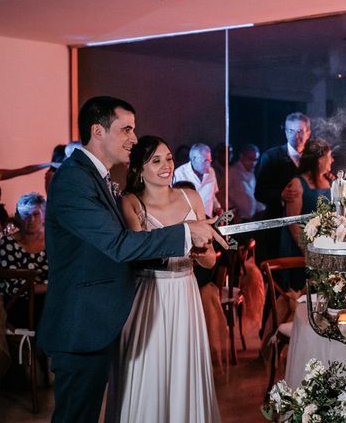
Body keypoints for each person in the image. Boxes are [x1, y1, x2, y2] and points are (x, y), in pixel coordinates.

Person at [37, 96, 225, 423]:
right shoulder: (73, 180)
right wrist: (185, 232)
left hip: (97, 320)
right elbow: (119, 245)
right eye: (126, 129)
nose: (134, 139)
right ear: (98, 131)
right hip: (80, 324)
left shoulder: (93, 177)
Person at [108, 135, 220, 422]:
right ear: (138, 169)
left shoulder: (190, 196)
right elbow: (138, 254)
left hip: (186, 291)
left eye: (168, 158)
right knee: (150, 369)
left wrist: (201, 248)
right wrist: (184, 236)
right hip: (149, 293)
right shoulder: (130, 203)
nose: (166, 165)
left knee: (184, 367)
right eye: (155, 160)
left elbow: (208, 260)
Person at [255, 112, 311, 262]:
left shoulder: (313, 159)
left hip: (307, 227)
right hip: (276, 228)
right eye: (291, 131)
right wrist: (280, 195)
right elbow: (259, 192)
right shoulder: (271, 157)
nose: (295, 136)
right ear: (285, 131)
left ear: (308, 133)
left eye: (300, 131)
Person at [278, 138, 333, 290]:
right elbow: (292, 222)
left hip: (322, 246)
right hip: (300, 249)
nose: (332, 160)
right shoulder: (297, 183)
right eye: (330, 156)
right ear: (320, 159)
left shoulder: (328, 181)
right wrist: (308, 250)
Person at [0, 192, 48, 327]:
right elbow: (15, 289)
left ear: (44, 216)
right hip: (19, 305)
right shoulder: (8, 243)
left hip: (50, 301)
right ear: (18, 218)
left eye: (36, 214)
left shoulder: (53, 241)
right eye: (25, 214)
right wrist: (52, 286)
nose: (31, 220)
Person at [174, 143, 221, 217]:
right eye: (205, 161)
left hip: (208, 221)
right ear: (194, 159)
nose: (208, 165)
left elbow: (212, 196)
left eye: (209, 161)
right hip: (189, 222)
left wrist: (218, 208)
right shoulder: (179, 173)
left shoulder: (211, 171)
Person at [229, 144, 265, 222]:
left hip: (250, 218)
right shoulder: (232, 171)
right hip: (236, 219)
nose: (253, 163)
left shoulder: (251, 172)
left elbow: (252, 195)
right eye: (250, 159)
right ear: (242, 156)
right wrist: (232, 210)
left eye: (256, 160)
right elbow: (221, 193)